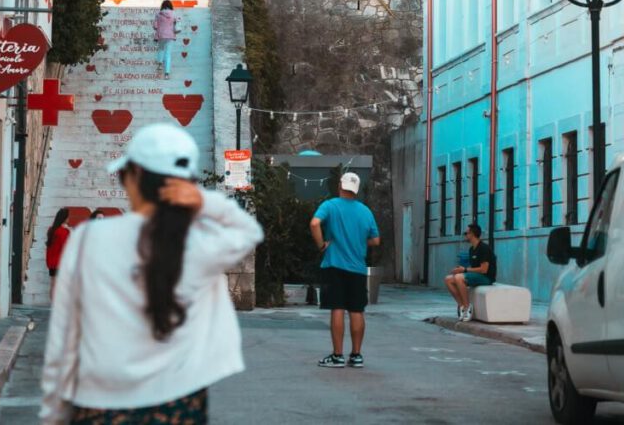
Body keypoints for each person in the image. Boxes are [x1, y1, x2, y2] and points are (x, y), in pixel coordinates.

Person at [40, 124, 263, 424]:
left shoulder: (89, 239)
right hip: (179, 403)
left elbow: (66, 335)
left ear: (133, 177)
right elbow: (247, 231)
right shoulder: (198, 244)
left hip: (101, 400)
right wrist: (202, 200)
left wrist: (53, 412)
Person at [309, 172, 380, 368]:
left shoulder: (330, 205)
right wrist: (358, 240)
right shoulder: (365, 211)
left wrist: (321, 244)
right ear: (356, 190)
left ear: (340, 185)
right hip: (357, 267)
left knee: (337, 308)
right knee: (357, 310)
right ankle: (356, 355)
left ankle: (337, 356)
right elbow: (376, 240)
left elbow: (314, 223)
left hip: (335, 265)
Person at [444, 223, 496, 322]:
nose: (465, 235)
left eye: (466, 233)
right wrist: (462, 269)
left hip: (486, 277)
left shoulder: (484, 248)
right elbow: (473, 268)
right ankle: (462, 305)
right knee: (448, 279)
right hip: (477, 275)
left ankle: (468, 307)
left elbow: (484, 269)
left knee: (459, 277)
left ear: (472, 234)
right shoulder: (472, 249)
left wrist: (465, 270)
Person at [46, 208, 71, 300]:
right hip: (60, 261)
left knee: (53, 284)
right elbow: (66, 246)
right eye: (68, 217)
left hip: (51, 261)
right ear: (64, 218)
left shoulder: (51, 230)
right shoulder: (63, 231)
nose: (69, 219)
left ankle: (53, 306)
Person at [152, 0, 179, 79]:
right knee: (168, 54)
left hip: (161, 35)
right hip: (170, 36)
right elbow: (177, 24)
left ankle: (160, 63)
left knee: (161, 49)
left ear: (162, 6)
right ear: (170, 6)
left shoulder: (158, 14)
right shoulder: (174, 14)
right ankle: (167, 74)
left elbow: (155, 26)